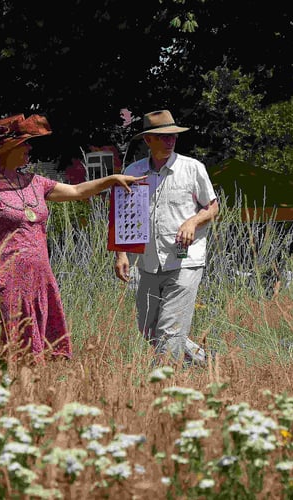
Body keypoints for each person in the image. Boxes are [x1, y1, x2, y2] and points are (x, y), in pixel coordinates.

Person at [0, 113, 145, 362]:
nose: (29, 148)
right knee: (8, 344)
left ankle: (29, 394)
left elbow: (78, 190)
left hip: (40, 278)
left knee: (35, 349)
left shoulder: (36, 182)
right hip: (4, 278)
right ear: (8, 150)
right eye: (24, 144)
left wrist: (111, 179)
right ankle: (7, 391)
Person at [114, 109, 219, 366]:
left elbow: (213, 207)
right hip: (148, 261)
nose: (170, 141)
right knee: (148, 327)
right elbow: (123, 214)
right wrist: (121, 254)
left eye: (173, 136)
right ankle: (206, 361)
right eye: (163, 137)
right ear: (148, 140)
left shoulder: (193, 168)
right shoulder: (133, 171)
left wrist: (193, 221)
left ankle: (163, 384)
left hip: (185, 261)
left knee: (169, 330)